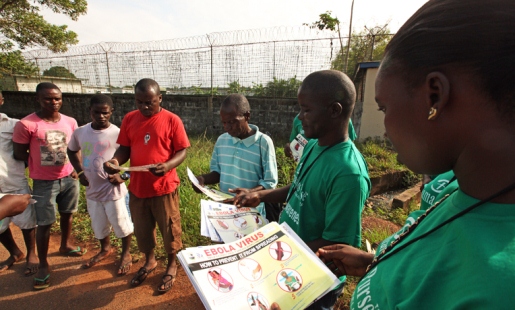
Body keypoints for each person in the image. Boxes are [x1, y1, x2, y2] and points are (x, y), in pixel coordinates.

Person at [317, 0, 515, 308]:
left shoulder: (498, 289)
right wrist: (375, 263)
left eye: (384, 107)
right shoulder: (452, 188)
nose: (384, 128)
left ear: (434, 95)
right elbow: (433, 271)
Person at [234, 70, 371, 309]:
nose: (300, 117)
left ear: (334, 110)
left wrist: (274, 250)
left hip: (314, 277)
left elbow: (336, 245)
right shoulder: (313, 146)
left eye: (306, 110)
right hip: (287, 256)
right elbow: (298, 188)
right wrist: (259, 195)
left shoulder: (348, 174)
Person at [103, 78, 190, 294]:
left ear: (159, 98)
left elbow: (182, 151)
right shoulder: (130, 119)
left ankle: (171, 264)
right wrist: (115, 161)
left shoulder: (172, 120)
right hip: (138, 189)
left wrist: (168, 165)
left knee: (169, 229)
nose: (144, 106)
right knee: (142, 229)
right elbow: (125, 149)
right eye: (139, 102)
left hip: (164, 187)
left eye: (149, 102)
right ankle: (149, 261)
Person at [13, 82, 83, 290]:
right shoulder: (27, 125)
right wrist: (37, 164)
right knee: (44, 223)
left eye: (57, 98)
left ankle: (66, 244)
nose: (54, 102)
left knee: (68, 213)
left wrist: (76, 168)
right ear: (37, 99)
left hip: (69, 177)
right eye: (48, 99)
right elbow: (19, 153)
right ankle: (43, 264)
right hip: (44, 182)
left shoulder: (70, 122)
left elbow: (75, 148)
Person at [67, 94, 134, 275]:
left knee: (121, 223)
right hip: (92, 190)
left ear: (111, 112)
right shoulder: (80, 132)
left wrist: (124, 176)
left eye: (105, 113)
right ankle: (105, 249)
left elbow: (133, 158)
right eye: (97, 112)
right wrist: (80, 171)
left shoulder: (118, 133)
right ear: (90, 111)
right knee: (98, 224)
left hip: (114, 191)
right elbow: (72, 150)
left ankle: (126, 253)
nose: (101, 116)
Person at [193, 94, 279, 221]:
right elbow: (218, 173)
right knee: (224, 240)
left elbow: (270, 182)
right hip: (225, 210)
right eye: (224, 122)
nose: (227, 127)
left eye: (232, 122)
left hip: (252, 214)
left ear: (247, 116)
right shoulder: (222, 140)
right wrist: (202, 179)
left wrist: (249, 194)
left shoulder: (263, 142)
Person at [0, 91, 39, 276]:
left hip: (12, 181)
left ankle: (32, 253)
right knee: (0, 225)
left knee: (26, 219)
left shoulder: (14, 125)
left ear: (1, 100)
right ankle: (14, 252)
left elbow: (30, 148)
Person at [284, 113, 357, 160]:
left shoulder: (343, 120)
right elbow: (293, 144)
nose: (301, 116)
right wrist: (289, 147)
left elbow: (350, 146)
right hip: (304, 164)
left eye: (308, 109)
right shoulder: (298, 119)